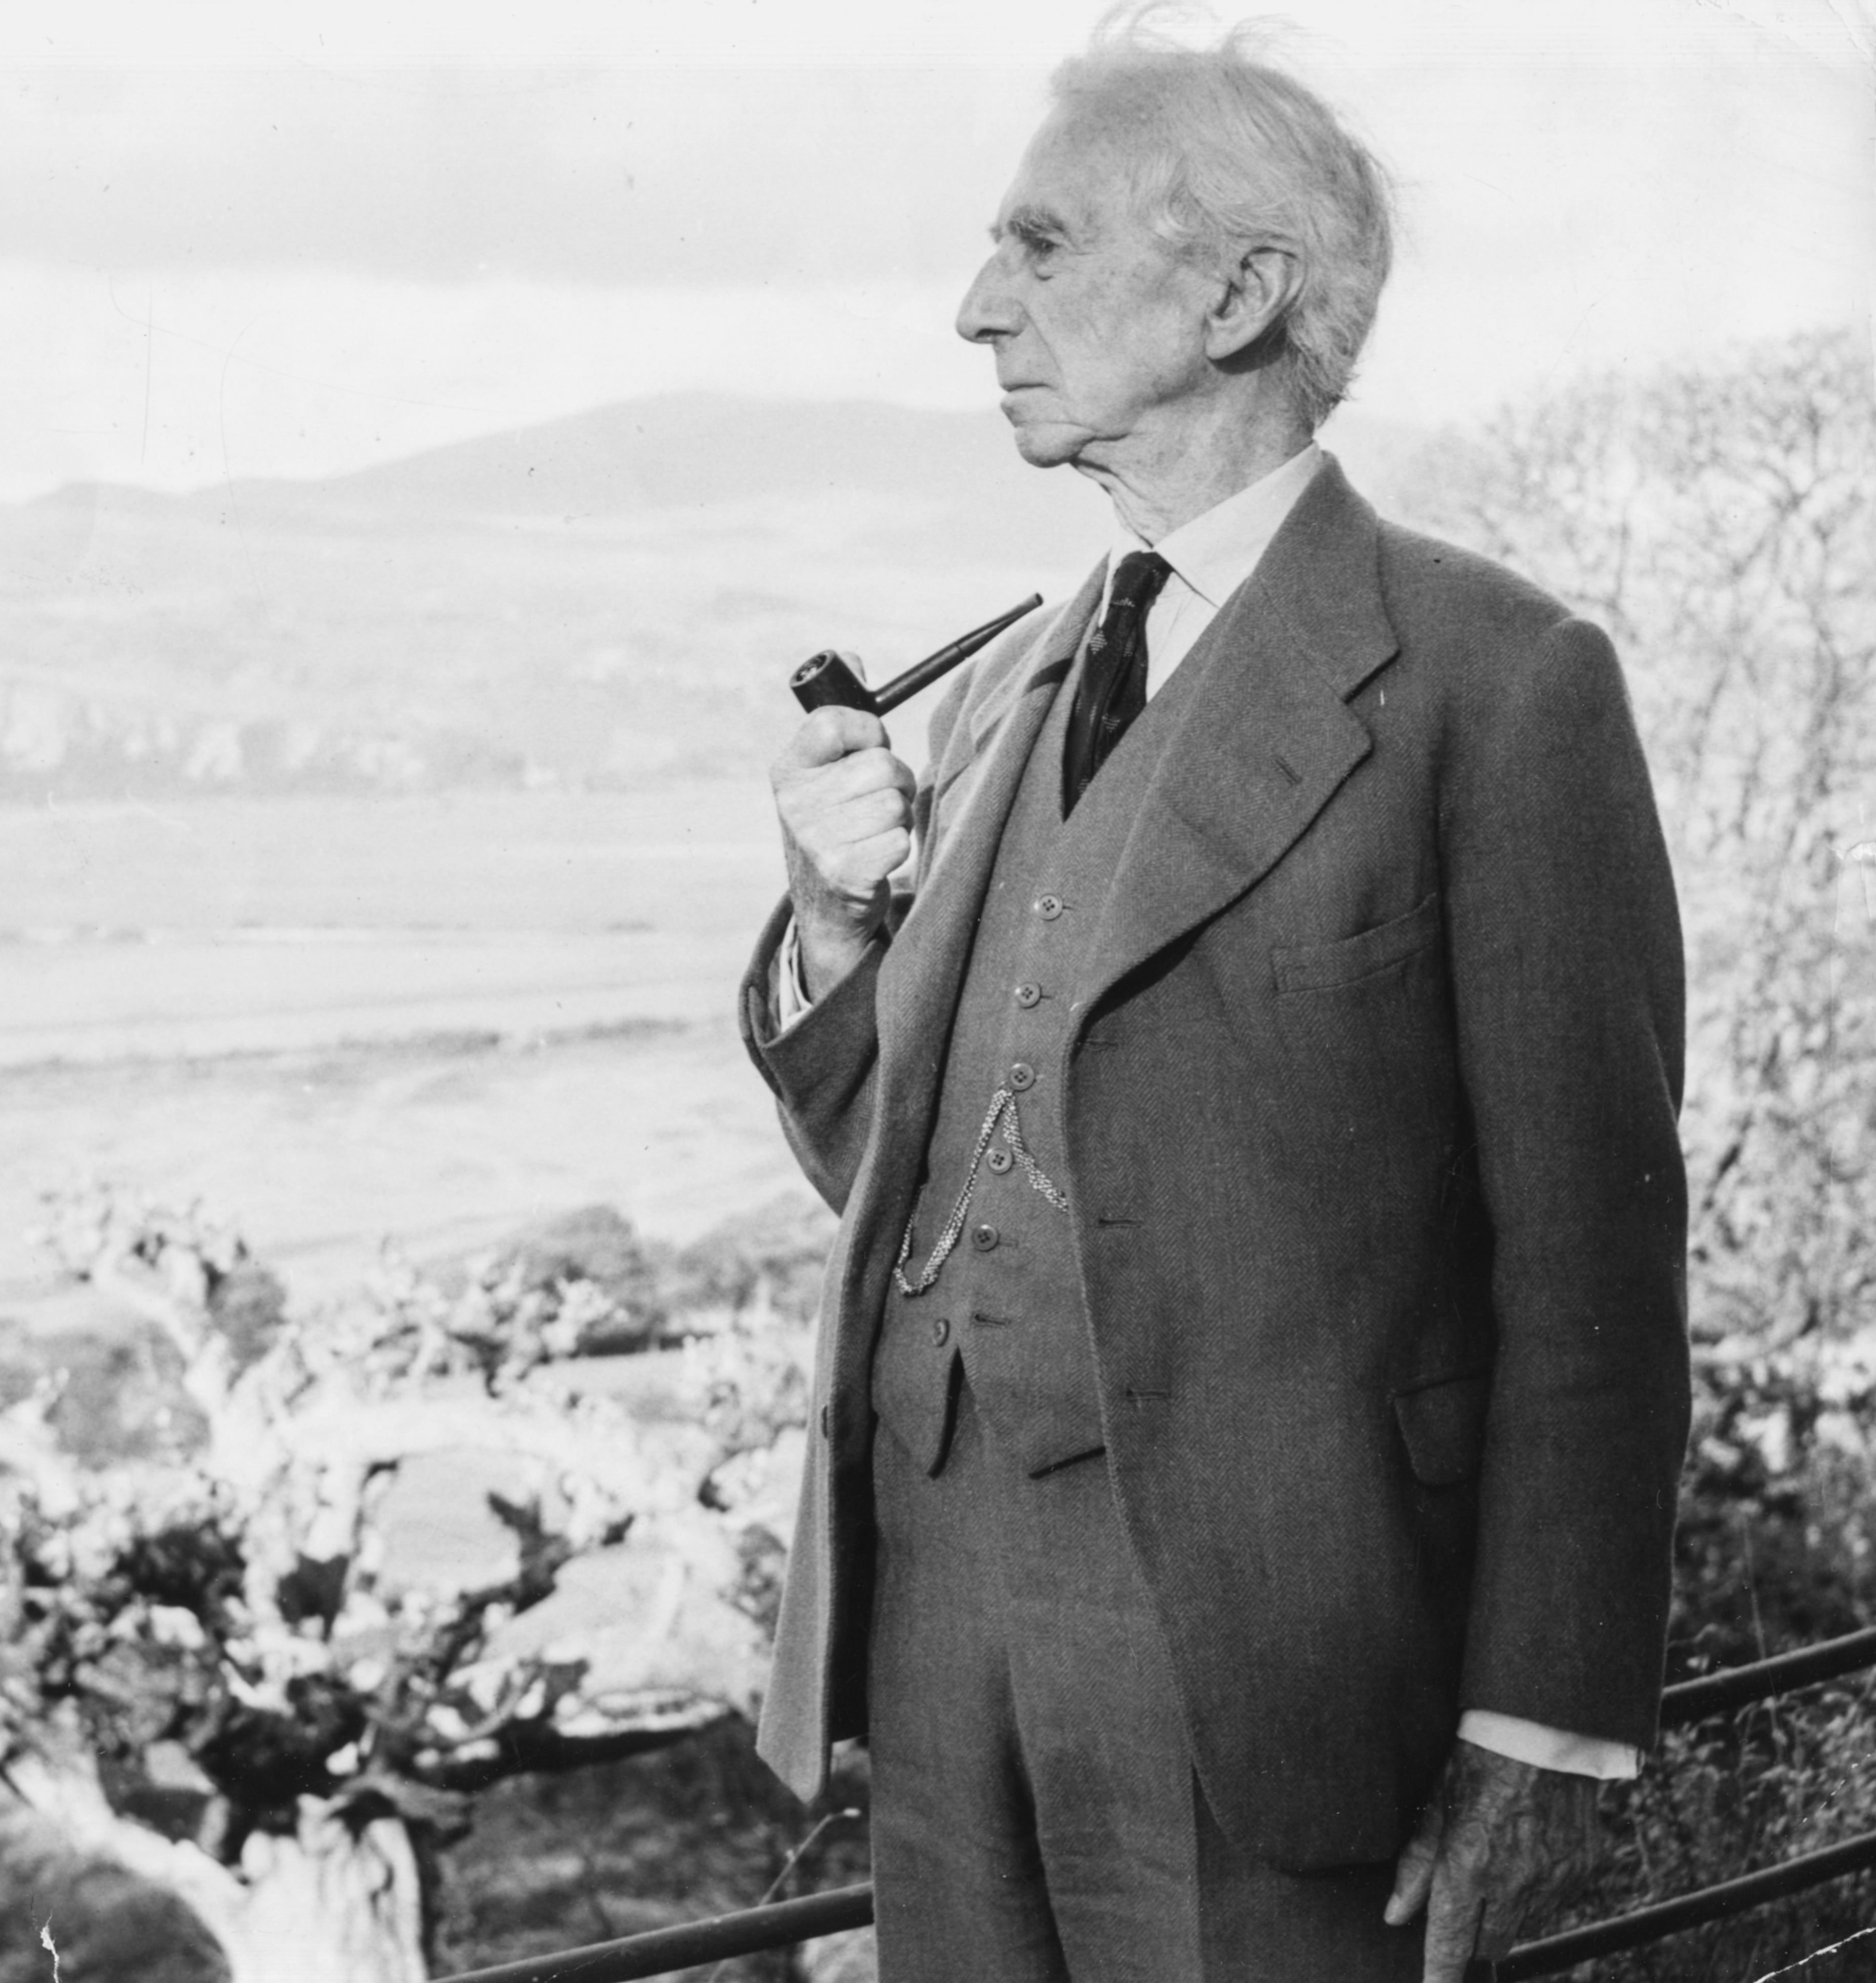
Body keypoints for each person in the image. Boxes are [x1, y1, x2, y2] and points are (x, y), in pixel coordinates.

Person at [740, 16, 1689, 1982]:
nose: (971, 306)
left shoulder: (1495, 682)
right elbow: (908, 1174)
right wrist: (839, 930)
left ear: (1245, 292)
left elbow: (1597, 1255)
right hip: (936, 1634)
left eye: (1043, 246)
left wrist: (1538, 1721)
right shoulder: (999, 683)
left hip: (1279, 1657)